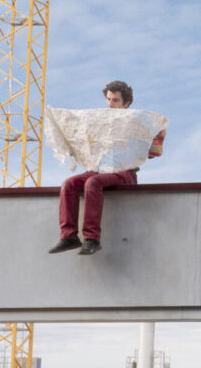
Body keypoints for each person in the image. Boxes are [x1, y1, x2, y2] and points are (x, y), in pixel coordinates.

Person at [49, 80, 165, 257]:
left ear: (126, 103)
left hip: (124, 172)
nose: (110, 104)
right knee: (69, 184)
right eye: (109, 99)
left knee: (93, 183)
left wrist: (158, 136)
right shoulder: (99, 123)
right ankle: (68, 236)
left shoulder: (135, 122)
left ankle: (92, 238)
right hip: (99, 169)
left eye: (116, 100)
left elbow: (151, 153)